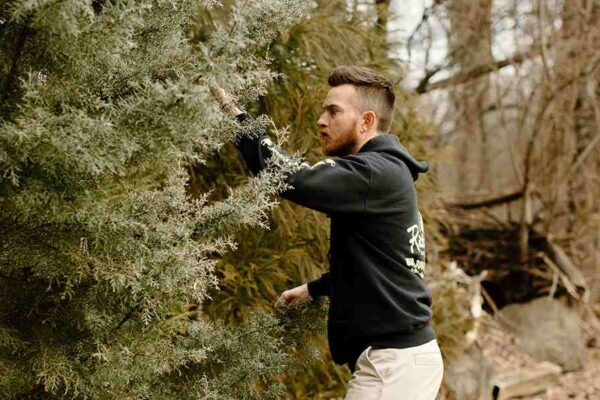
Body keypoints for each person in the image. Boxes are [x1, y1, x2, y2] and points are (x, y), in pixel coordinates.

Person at [211, 65, 443, 400]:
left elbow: (291, 177)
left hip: (393, 366)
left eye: (333, 111)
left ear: (366, 121)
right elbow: (383, 263)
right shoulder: (386, 173)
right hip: (404, 360)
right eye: (323, 110)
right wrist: (314, 288)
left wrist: (235, 115)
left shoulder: (374, 173)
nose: (321, 120)